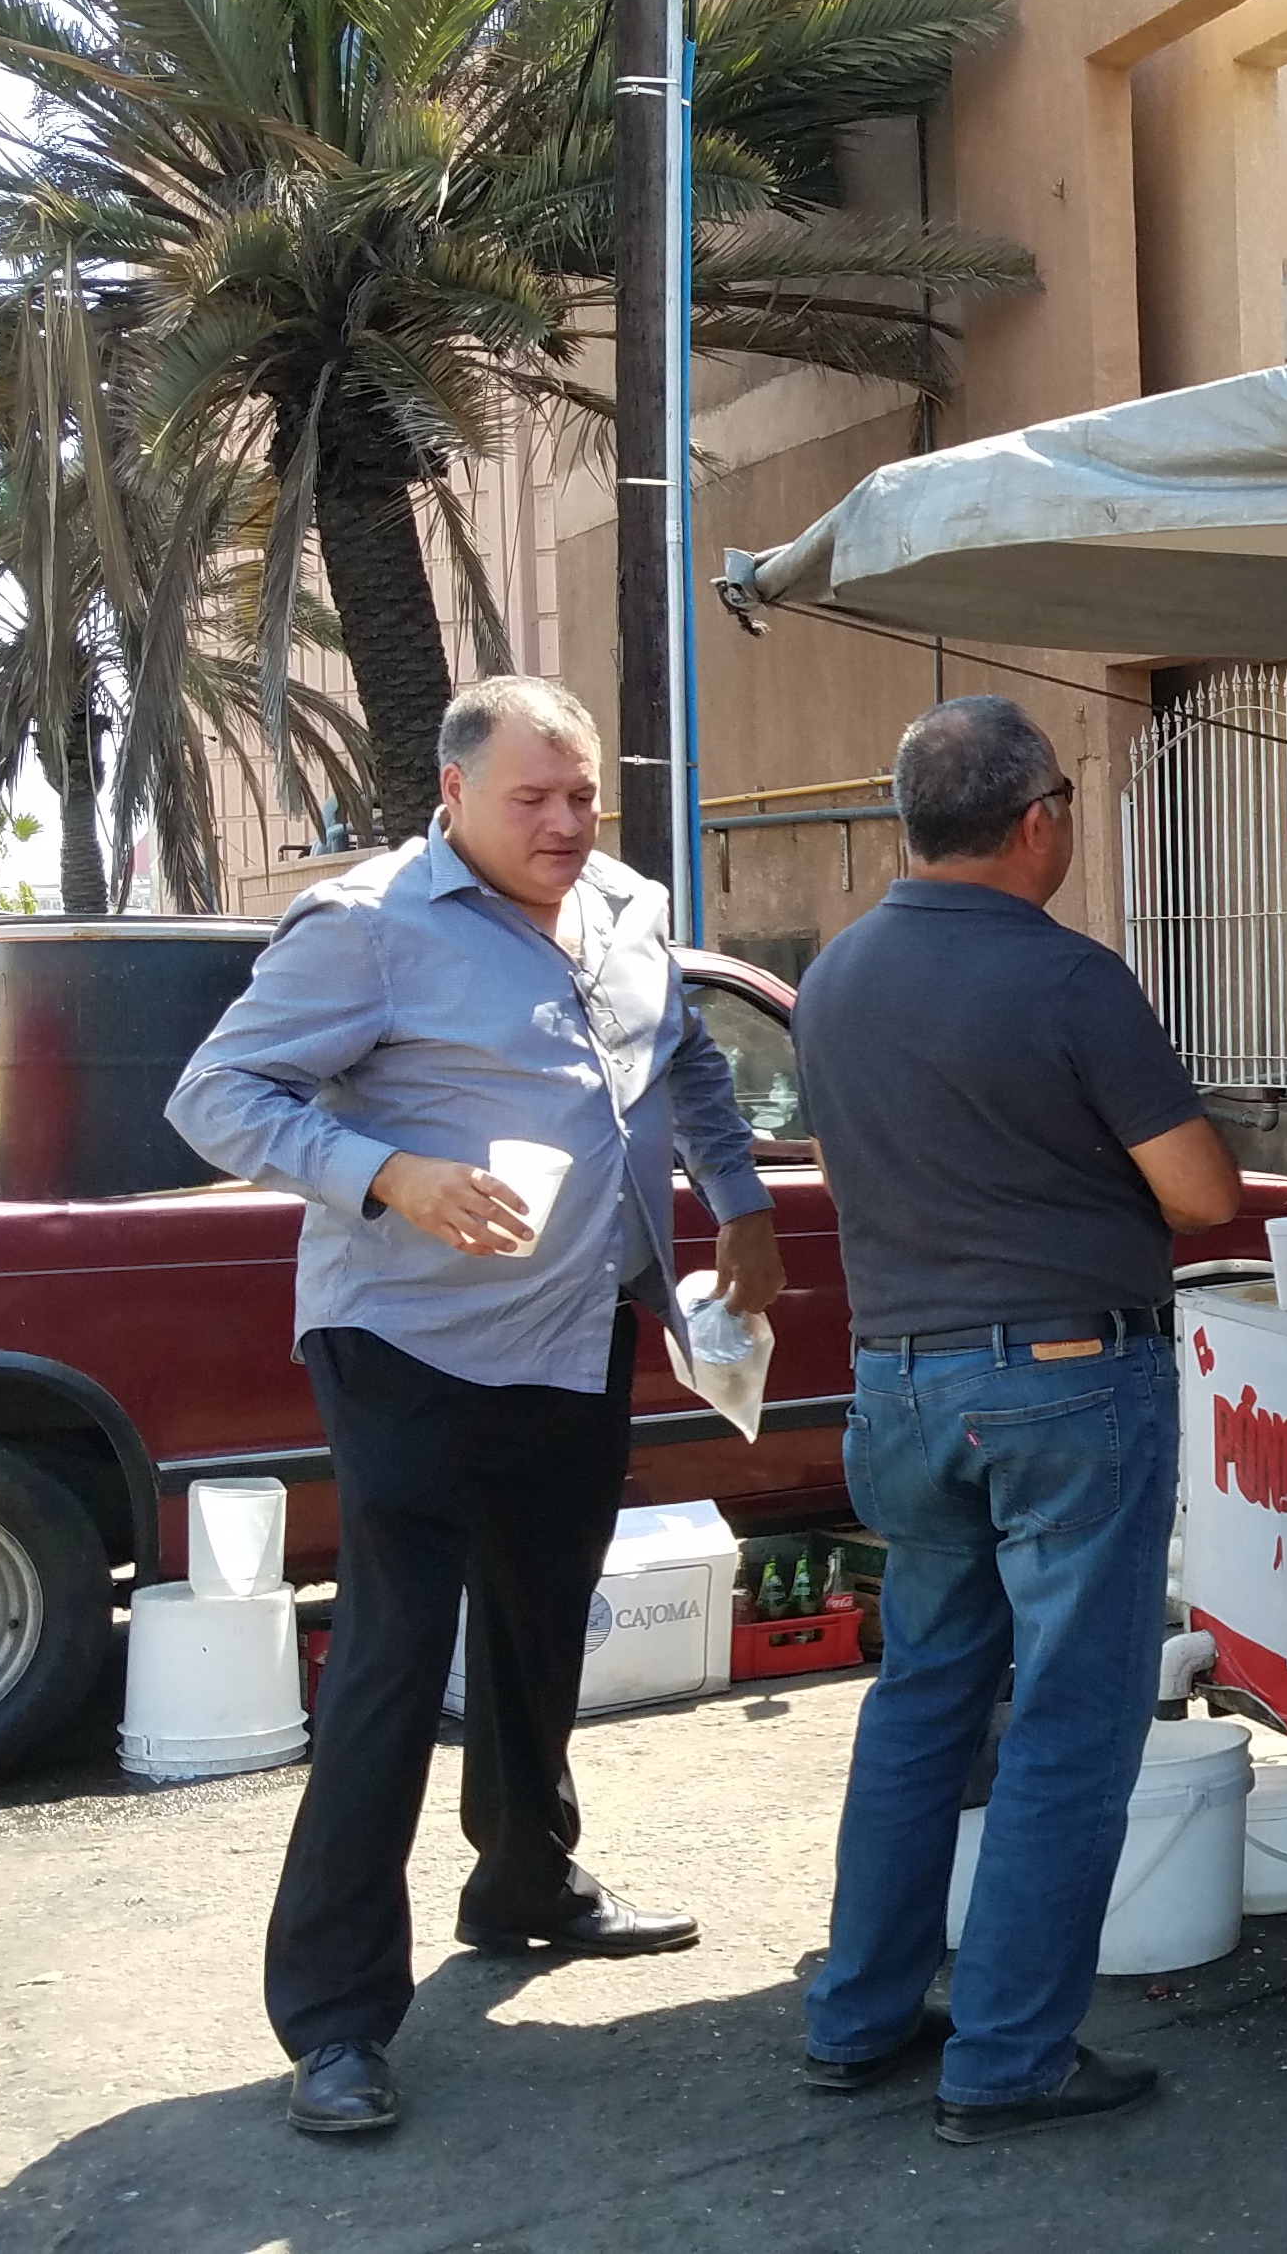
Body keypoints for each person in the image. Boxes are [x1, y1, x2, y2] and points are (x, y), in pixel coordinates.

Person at [171, 675, 783, 2139]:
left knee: (536, 1634)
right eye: (536, 799)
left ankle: (525, 1885)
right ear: (453, 796)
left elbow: (687, 1057)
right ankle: (333, 2017)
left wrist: (741, 1200)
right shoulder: (367, 925)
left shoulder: (629, 907)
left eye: (584, 797)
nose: (569, 822)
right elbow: (216, 1093)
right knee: (391, 1667)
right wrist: (389, 1175)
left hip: (574, 1338)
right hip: (407, 1346)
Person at [790, 697, 1242, 2145]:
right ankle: (1009, 2055)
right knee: (1065, 1723)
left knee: (924, 1697)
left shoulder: (834, 977)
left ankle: (858, 2017)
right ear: (1039, 819)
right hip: (1058, 1387)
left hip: (900, 1386)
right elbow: (1205, 1196)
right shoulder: (1069, 981)